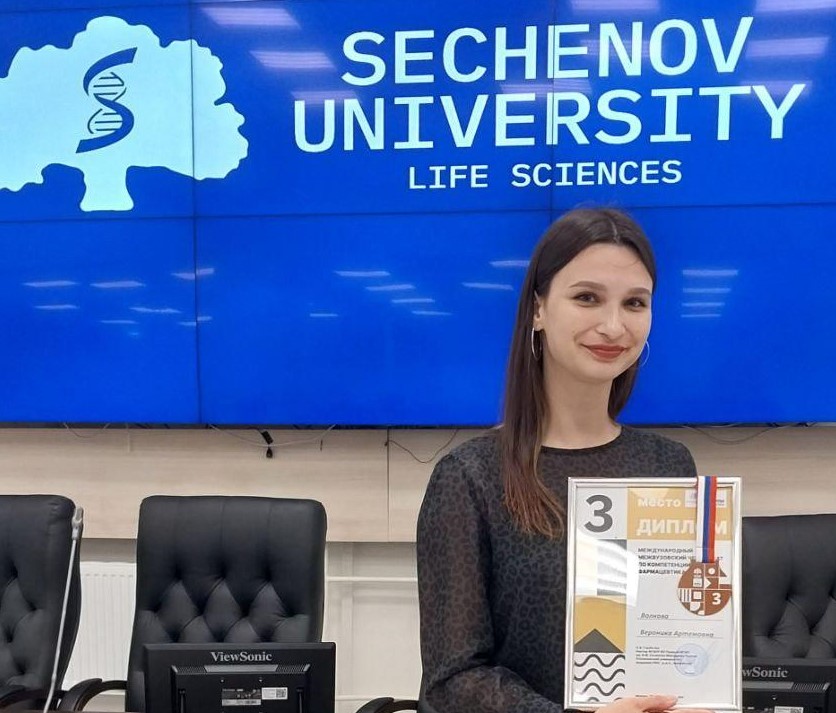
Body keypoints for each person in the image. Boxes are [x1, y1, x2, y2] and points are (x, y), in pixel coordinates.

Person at [416, 207, 701, 713]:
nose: (613, 325)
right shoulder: (469, 478)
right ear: (538, 310)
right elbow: (453, 680)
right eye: (587, 297)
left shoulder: (669, 465)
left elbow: (677, 633)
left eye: (635, 303)